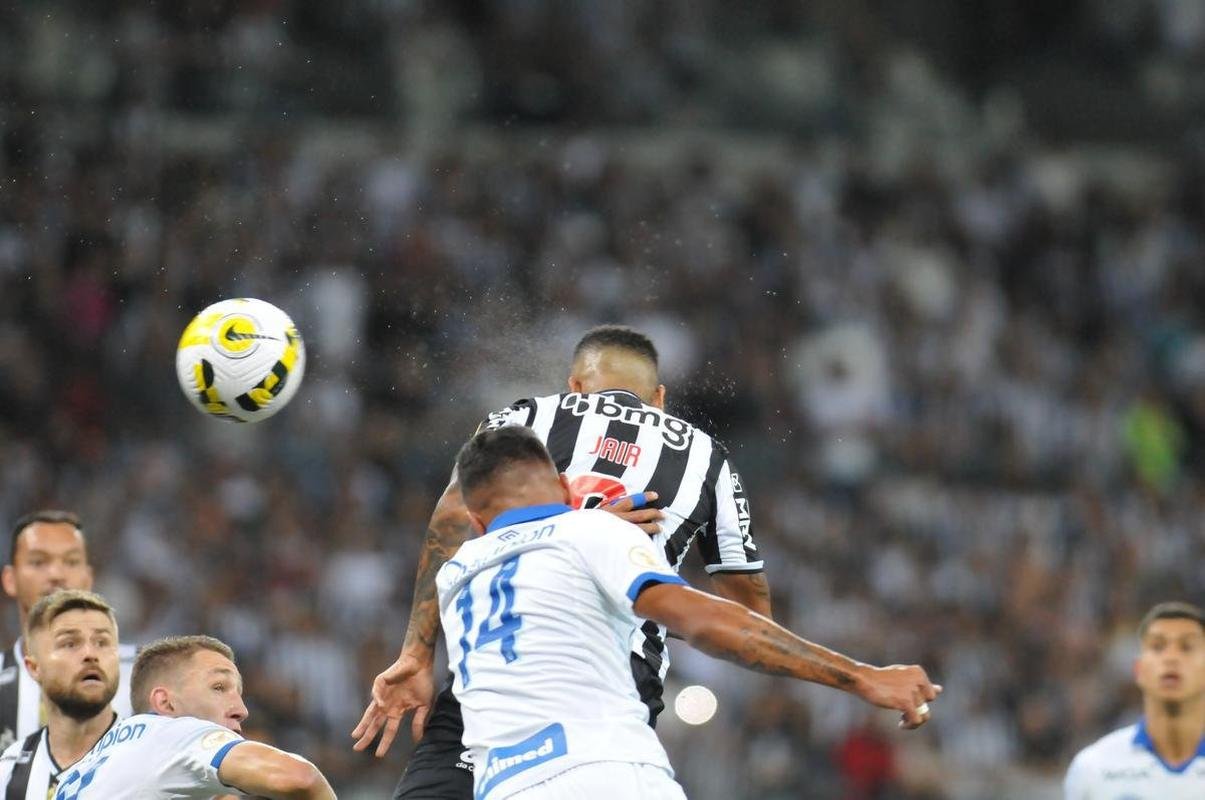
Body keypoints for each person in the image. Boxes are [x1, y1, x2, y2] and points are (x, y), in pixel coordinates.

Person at [355, 325, 773, 798]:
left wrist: (416, 654)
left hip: (498, 654)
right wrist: (645, 592)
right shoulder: (708, 458)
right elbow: (751, 616)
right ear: (658, 398)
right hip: (614, 677)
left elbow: (452, 520)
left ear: (575, 385)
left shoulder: (527, 416)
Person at [437, 427, 940, 799]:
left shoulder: (454, 576)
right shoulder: (590, 530)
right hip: (604, 772)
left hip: (503, 787)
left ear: (478, 523)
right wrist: (861, 676)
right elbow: (704, 623)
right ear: (567, 490)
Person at [51, 634, 335, 799]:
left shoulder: (82, 769)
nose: (242, 709)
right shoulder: (173, 733)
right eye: (219, 687)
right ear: (165, 702)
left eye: (238, 692)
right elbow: (300, 777)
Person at [0, 511, 135, 748]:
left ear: (88, 578)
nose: (56, 575)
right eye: (38, 562)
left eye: (71, 562)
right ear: (10, 580)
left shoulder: (142, 673)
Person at [1064, 601, 1205, 799]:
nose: (1171, 658)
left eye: (1187, 647)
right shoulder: (1093, 769)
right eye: (1158, 647)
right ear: (1138, 670)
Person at [0, 590, 121, 799]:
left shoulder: (156, 756)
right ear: (33, 668)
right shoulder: (8, 774)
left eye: (102, 642)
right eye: (70, 644)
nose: (90, 654)